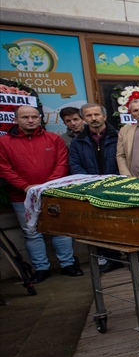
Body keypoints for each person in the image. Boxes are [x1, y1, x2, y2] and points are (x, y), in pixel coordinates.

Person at [0, 105, 81, 281]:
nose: (30, 120)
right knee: (32, 233)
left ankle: (68, 264)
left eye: (34, 117)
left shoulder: (53, 139)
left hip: (52, 194)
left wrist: (45, 187)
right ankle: (41, 269)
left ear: (40, 118)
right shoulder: (4, 143)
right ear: (16, 120)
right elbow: (4, 168)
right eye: (25, 117)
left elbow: (62, 163)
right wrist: (26, 187)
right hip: (21, 196)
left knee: (60, 230)